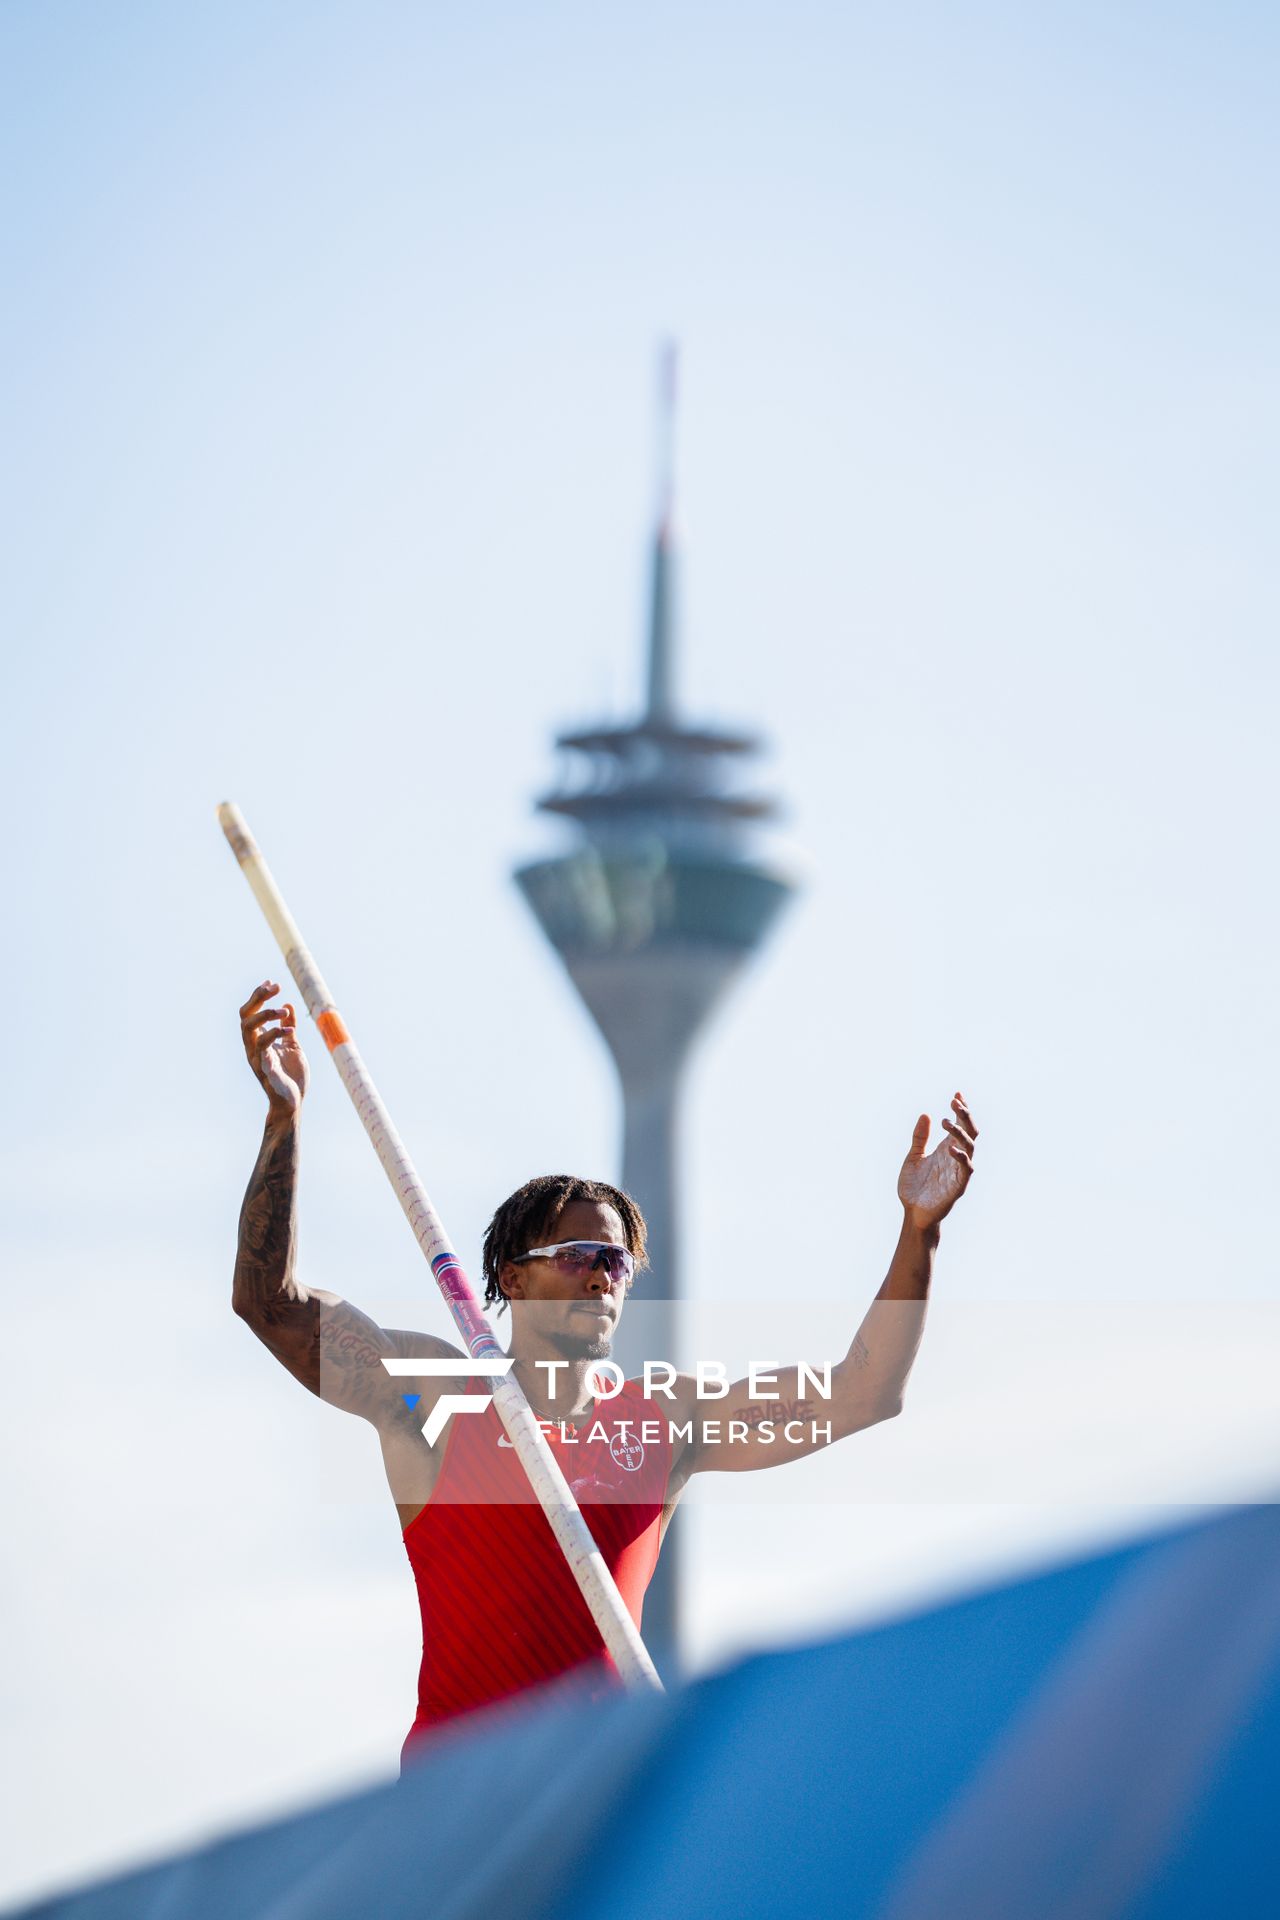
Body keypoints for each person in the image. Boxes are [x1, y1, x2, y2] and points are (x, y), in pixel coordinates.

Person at [232, 979, 978, 1760]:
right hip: (455, 1802)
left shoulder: (667, 1421)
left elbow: (863, 1392)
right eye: (579, 1256)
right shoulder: (434, 1396)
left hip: (595, 1791)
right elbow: (269, 1303)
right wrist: (283, 1120)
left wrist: (918, 1232)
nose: (602, 1277)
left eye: (618, 1263)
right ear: (513, 1280)